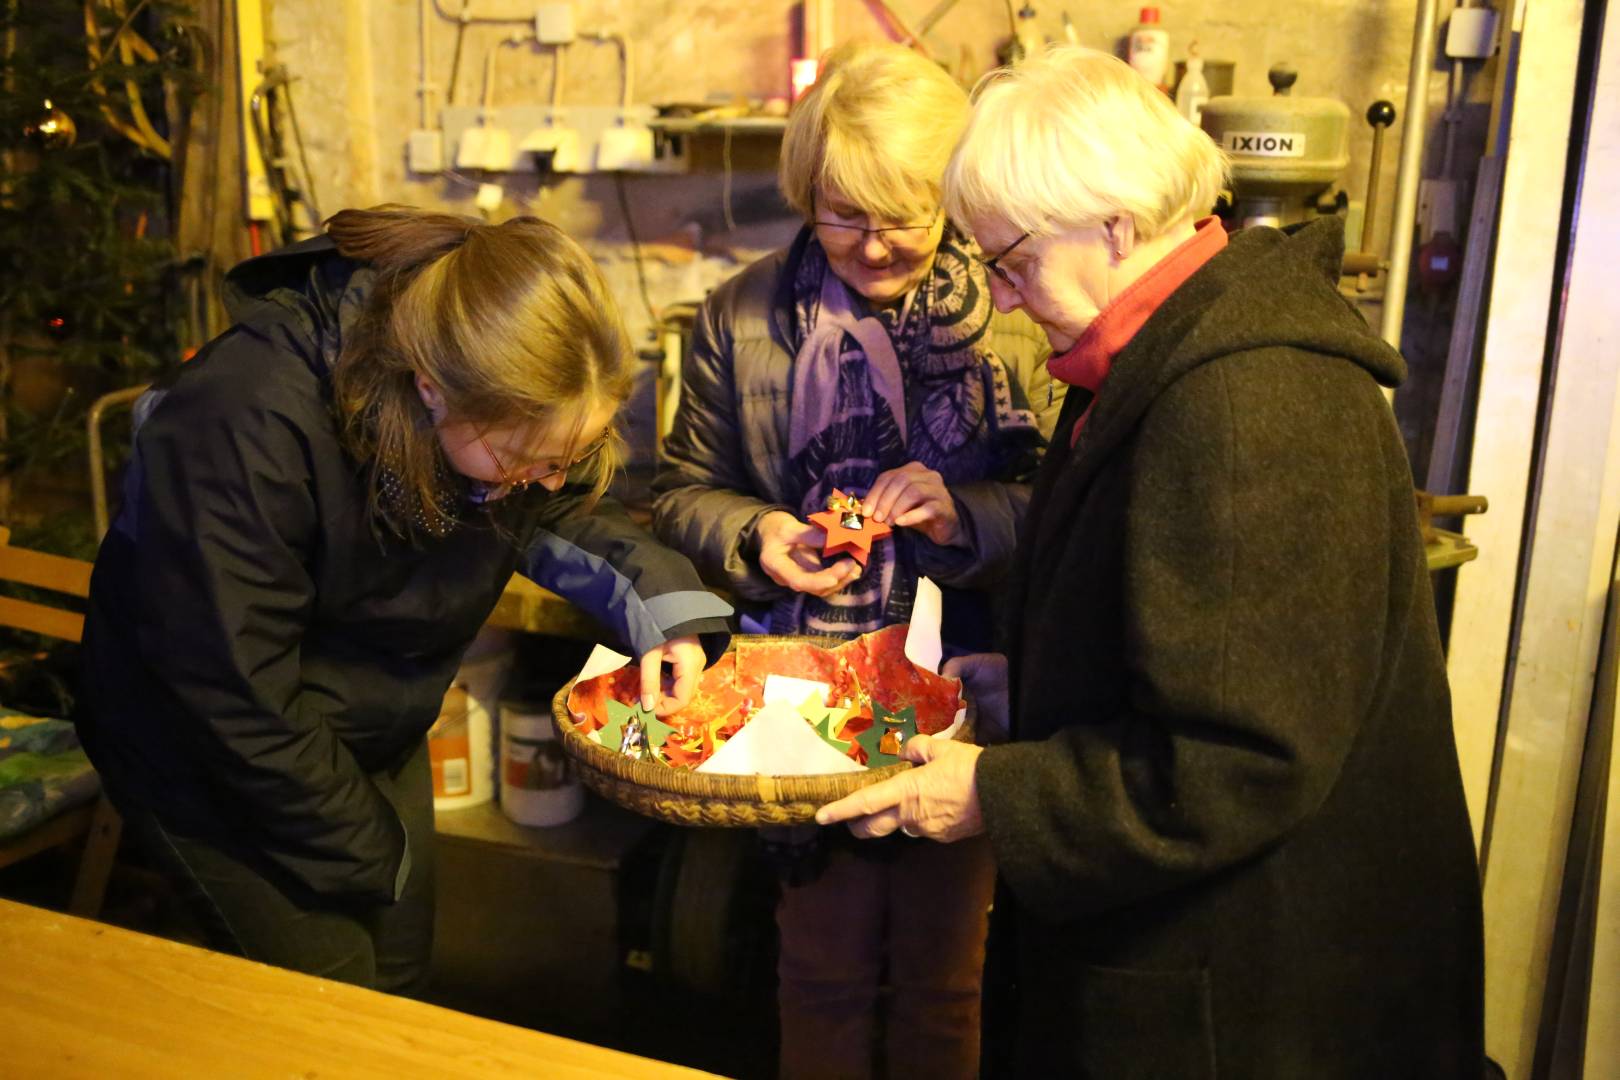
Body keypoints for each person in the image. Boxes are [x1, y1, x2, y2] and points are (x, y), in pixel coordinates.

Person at [818, 45, 1485, 1078]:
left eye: (1011, 262)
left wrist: (999, 796)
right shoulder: (1155, 355)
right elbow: (1183, 643)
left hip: (1247, 1001)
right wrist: (1029, 686)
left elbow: (1236, 757)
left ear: (1115, 227)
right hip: (1189, 963)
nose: (998, 299)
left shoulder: (1246, 399)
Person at [75, 206, 731, 995]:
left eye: (572, 454)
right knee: (330, 1002)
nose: (550, 480)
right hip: (210, 755)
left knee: (399, 974)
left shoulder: (486, 410)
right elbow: (229, 689)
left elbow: (557, 513)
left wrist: (667, 618)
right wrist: (367, 845)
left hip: (362, 718)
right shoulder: (237, 422)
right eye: (527, 460)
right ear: (431, 389)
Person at [652, 41, 1059, 1080]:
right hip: (804, 693)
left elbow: (1070, 505)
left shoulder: (1018, 316)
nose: (875, 245)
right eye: (845, 213)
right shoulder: (739, 316)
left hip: (962, 687)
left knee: (945, 981)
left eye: (905, 214)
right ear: (806, 192)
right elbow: (677, 487)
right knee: (819, 974)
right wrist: (758, 536)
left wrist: (961, 511)